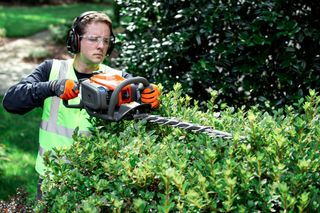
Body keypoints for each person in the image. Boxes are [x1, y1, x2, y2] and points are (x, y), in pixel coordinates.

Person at [2, 11, 160, 199]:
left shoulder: (118, 79)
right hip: (52, 179)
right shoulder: (52, 70)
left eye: (106, 40)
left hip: (96, 183)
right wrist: (52, 87)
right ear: (76, 40)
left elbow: (142, 96)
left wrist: (149, 95)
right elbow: (11, 102)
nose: (101, 46)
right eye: (93, 39)